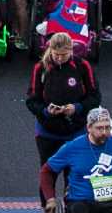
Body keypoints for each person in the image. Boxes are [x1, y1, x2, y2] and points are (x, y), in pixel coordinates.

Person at [26, 30, 99, 167]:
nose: (59, 58)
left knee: (73, 176)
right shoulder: (40, 68)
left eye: (64, 55)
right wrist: (46, 111)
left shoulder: (83, 66)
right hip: (47, 132)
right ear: (50, 50)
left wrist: (77, 108)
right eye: (56, 55)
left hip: (76, 131)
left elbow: (95, 96)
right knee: (47, 174)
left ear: (71, 50)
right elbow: (32, 101)